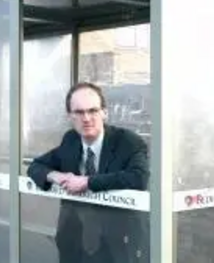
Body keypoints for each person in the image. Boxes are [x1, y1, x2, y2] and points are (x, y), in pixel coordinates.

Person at [27, 82, 149, 263]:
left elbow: (139, 178)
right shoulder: (71, 140)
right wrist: (57, 176)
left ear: (104, 113)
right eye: (79, 112)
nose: (86, 118)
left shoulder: (128, 142)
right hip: (76, 243)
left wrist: (88, 182)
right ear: (70, 116)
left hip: (120, 245)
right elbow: (35, 167)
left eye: (93, 111)